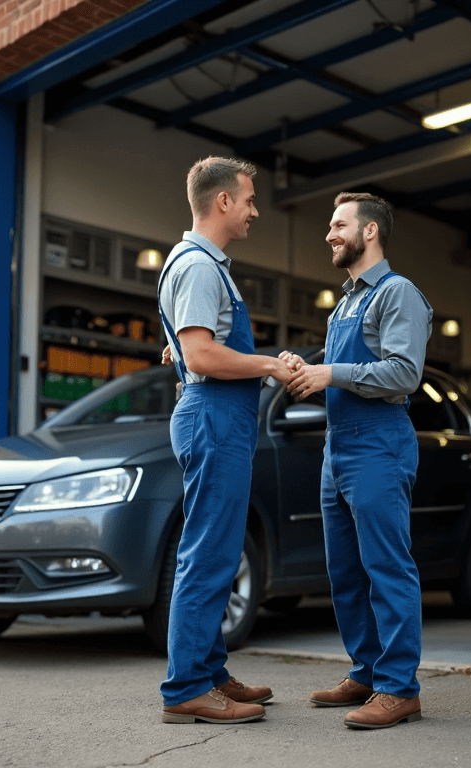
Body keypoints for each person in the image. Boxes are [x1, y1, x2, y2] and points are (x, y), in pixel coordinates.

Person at [281, 191, 433, 730]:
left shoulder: (398, 294)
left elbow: (403, 374)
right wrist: (305, 369)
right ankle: (367, 670)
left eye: (339, 224)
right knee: (345, 570)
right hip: (338, 447)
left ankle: (399, 688)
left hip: (379, 444)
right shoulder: (345, 301)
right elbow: (339, 375)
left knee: (387, 567)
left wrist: (331, 373)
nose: (329, 234)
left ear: (369, 232)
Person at [155, 156, 293, 724]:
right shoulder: (199, 267)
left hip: (217, 417)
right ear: (223, 202)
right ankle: (187, 686)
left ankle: (210, 671)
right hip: (214, 418)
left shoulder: (203, 265)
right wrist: (270, 365)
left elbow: (185, 347)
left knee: (217, 547)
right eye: (250, 199)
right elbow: (200, 353)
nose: (256, 210)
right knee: (209, 553)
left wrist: (185, 352)